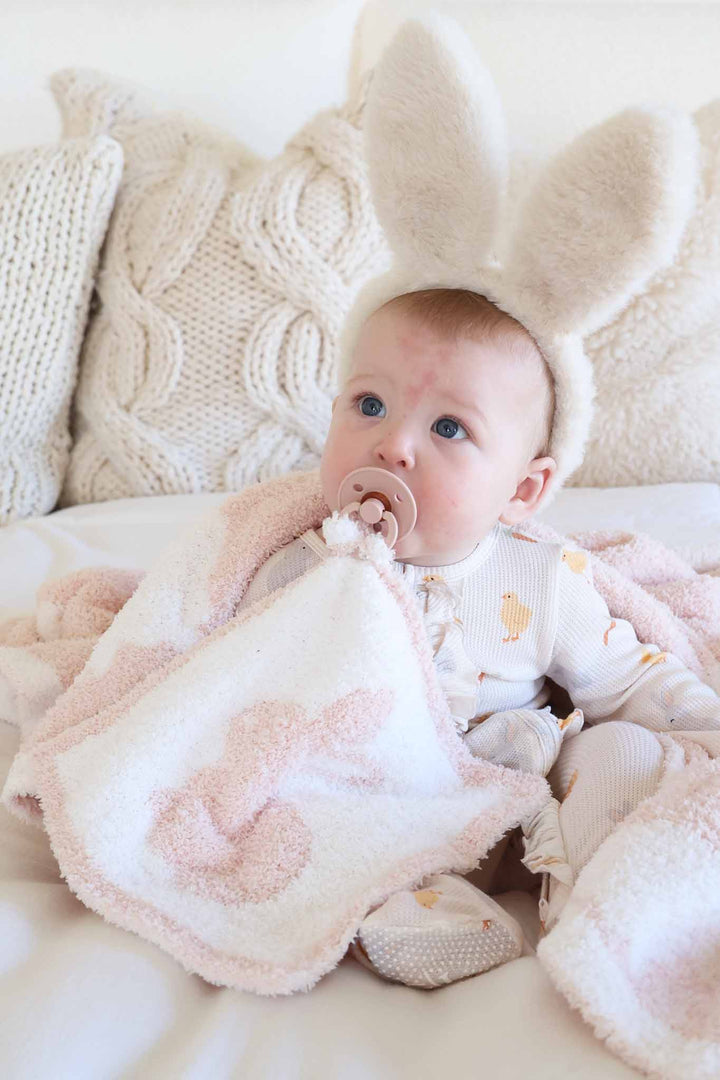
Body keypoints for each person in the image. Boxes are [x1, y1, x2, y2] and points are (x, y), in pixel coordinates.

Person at [235, 286, 720, 989]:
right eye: (369, 405)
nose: (392, 445)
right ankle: (437, 917)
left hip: (513, 797)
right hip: (374, 802)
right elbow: (236, 691)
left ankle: (590, 901)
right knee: (298, 822)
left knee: (623, 749)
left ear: (522, 491)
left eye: (449, 428)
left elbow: (632, 680)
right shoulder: (302, 568)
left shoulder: (538, 578)